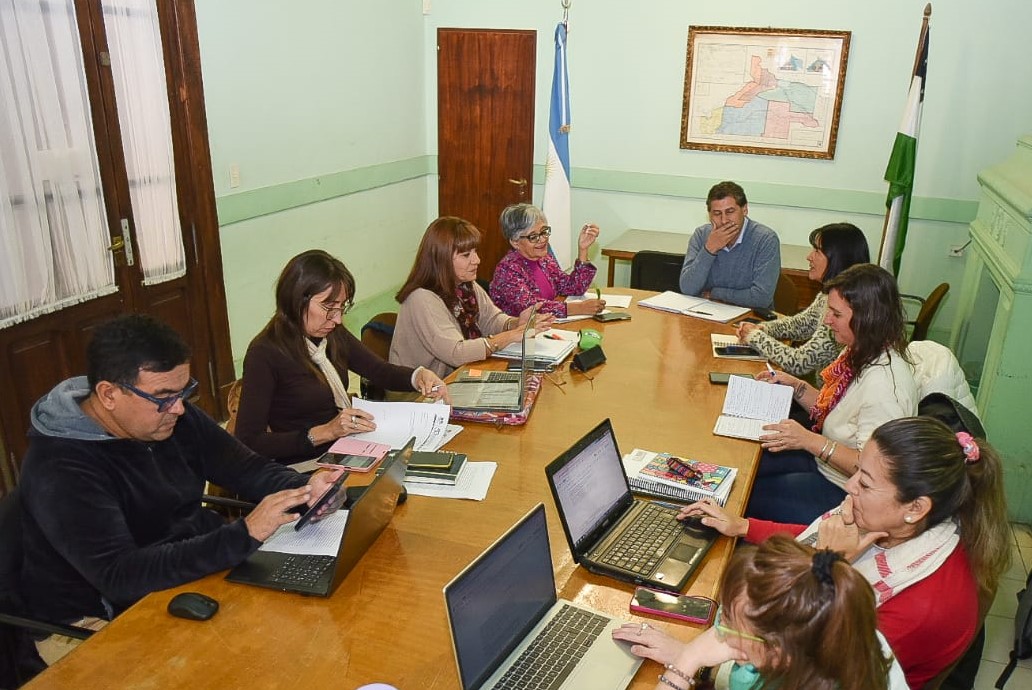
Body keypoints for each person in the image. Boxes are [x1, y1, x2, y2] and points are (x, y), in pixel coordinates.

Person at [18, 314, 344, 625]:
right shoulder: (60, 468)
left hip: (191, 566)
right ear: (108, 395)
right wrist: (244, 534)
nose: (178, 408)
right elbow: (121, 577)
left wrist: (306, 490)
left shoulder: (170, 416)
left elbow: (246, 468)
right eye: (163, 397)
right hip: (102, 612)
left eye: (183, 391)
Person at [684, 416, 1011, 689]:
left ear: (915, 507)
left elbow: (808, 663)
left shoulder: (924, 606)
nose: (851, 486)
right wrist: (742, 526)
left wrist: (692, 663)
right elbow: (813, 537)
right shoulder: (902, 526)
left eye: (865, 483)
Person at [613, 536, 907, 690]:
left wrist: (685, 662)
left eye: (728, 623)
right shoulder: (839, 625)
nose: (719, 630)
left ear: (777, 653)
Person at [235, 250, 446, 463]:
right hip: (304, 466)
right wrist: (326, 432)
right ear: (297, 300)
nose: (337, 318)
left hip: (345, 451)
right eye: (328, 307)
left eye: (342, 306)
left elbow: (378, 371)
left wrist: (418, 376)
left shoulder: (331, 333)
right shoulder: (265, 353)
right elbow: (250, 440)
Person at [746, 263, 917, 524]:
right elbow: (836, 409)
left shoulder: (885, 388)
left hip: (846, 495)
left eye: (836, 314)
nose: (827, 320)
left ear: (865, 318)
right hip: (825, 467)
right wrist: (796, 386)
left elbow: (873, 470)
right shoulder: (861, 349)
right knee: (746, 465)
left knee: (743, 495)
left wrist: (807, 440)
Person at [390, 216, 553, 377]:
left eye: (475, 252)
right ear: (442, 259)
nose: (477, 260)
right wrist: (509, 336)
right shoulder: (422, 298)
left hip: (456, 378)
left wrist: (516, 323)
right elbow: (457, 353)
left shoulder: (465, 284)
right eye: (466, 255)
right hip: (419, 395)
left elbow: (491, 320)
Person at [735, 222, 870, 376]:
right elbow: (801, 324)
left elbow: (798, 362)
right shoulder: (830, 294)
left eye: (817, 251)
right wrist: (764, 328)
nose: (809, 256)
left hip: (826, 398)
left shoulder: (843, 308)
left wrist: (754, 337)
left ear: (838, 258)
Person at [488, 203, 604, 318]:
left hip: (547, 326)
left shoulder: (545, 260)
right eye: (533, 236)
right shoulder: (508, 270)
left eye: (544, 232)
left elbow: (574, 288)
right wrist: (579, 308)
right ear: (515, 242)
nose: (543, 239)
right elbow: (532, 309)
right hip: (520, 333)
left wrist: (583, 250)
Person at [679, 181, 781, 309]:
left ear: (745, 210)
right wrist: (709, 249)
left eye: (730, 212)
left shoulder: (765, 239)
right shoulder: (701, 235)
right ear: (709, 215)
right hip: (708, 313)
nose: (724, 220)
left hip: (749, 319)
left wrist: (715, 293)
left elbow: (761, 298)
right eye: (717, 214)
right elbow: (687, 288)